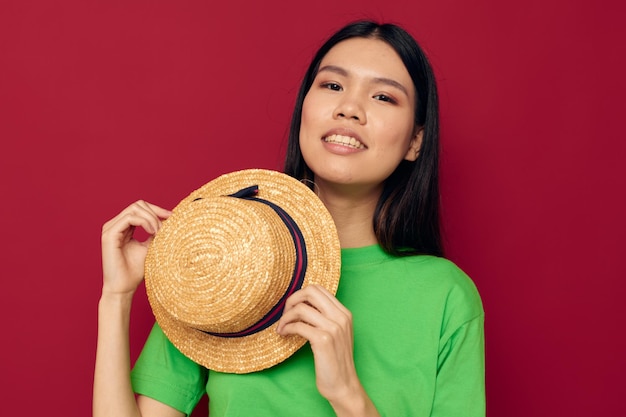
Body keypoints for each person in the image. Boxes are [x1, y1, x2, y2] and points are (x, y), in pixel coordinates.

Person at [94, 20, 485, 417]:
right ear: (304, 109)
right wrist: (116, 298)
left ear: (415, 141)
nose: (349, 108)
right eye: (332, 86)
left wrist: (348, 394)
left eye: (383, 96)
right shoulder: (222, 259)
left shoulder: (446, 297)